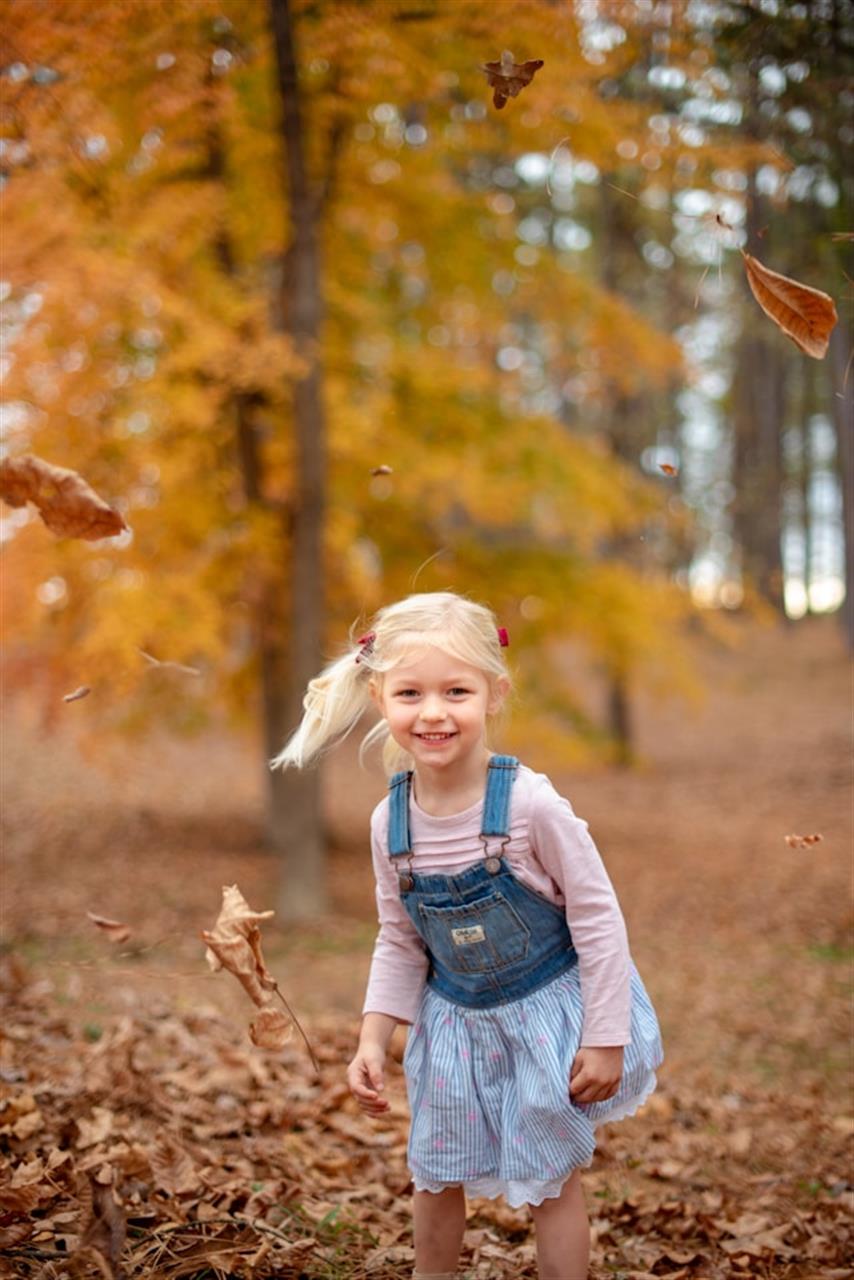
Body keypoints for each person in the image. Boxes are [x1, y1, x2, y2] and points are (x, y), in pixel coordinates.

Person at [271, 591, 663, 1280]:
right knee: (433, 1173)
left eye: (456, 691)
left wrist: (605, 1036)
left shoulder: (530, 804)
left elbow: (597, 919)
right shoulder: (387, 825)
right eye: (410, 692)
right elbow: (399, 940)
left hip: (544, 1021)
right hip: (452, 1026)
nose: (432, 712)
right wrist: (373, 1035)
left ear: (494, 692)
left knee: (550, 1183)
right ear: (379, 695)